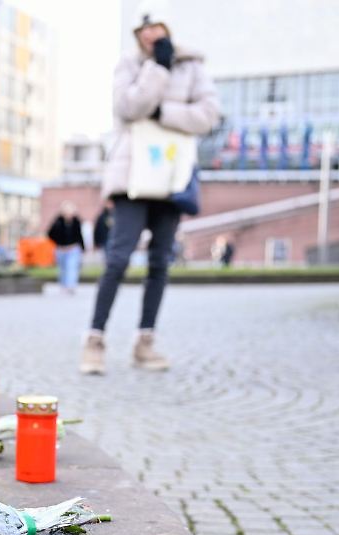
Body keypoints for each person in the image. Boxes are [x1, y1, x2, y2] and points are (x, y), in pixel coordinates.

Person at [80, 6, 219, 374]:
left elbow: (208, 115)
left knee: (160, 262)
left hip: (172, 177)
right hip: (132, 176)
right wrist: (157, 68)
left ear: (167, 27)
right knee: (118, 259)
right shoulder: (129, 64)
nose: (148, 33)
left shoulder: (192, 66)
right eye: (142, 28)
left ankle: (145, 342)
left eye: (155, 26)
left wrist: (162, 114)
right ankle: (94, 340)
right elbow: (128, 106)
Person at [48, 201, 85, 294]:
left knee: (72, 267)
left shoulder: (76, 222)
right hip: (61, 249)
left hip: (73, 249)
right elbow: (50, 234)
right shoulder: (57, 222)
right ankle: (63, 285)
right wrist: (58, 243)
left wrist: (83, 247)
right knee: (63, 269)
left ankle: (71, 286)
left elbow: (80, 236)